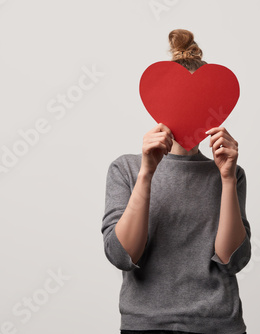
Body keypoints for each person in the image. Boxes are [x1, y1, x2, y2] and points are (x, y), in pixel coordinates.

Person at [101, 29, 251, 334]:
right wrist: (147, 173)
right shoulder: (126, 169)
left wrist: (225, 178)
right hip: (145, 325)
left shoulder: (230, 173)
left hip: (218, 325)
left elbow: (231, 260)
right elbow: (122, 255)